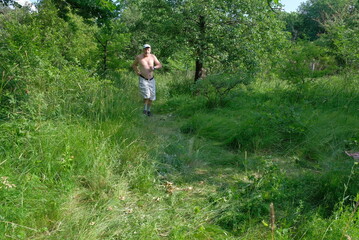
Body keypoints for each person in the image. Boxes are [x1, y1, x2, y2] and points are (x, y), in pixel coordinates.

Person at [132, 44, 162, 116]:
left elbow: (160, 65)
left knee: (152, 96)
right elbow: (134, 65)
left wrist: (154, 67)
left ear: (150, 50)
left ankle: (148, 111)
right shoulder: (139, 57)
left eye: (148, 49)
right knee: (146, 95)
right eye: (145, 49)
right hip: (143, 78)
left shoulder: (153, 56)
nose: (146, 51)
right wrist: (137, 71)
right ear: (143, 50)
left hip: (151, 79)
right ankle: (144, 110)